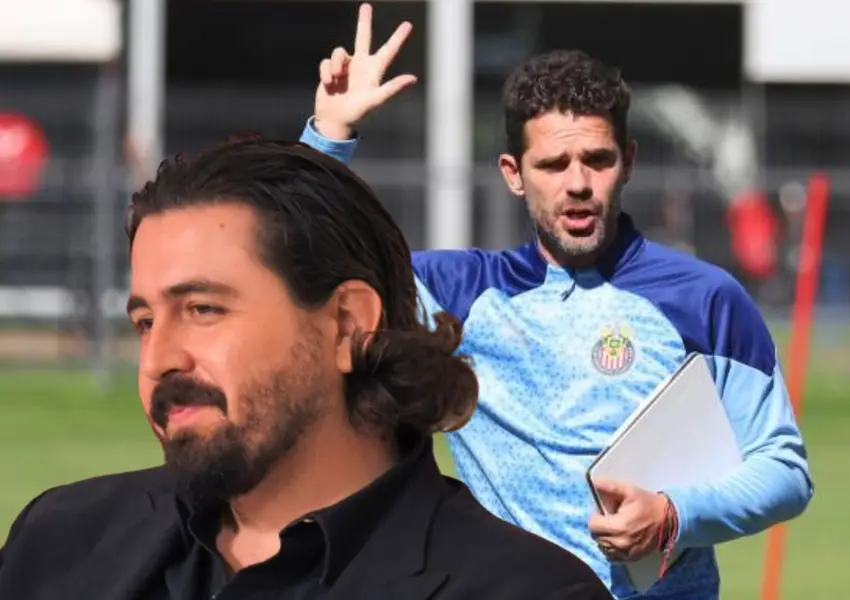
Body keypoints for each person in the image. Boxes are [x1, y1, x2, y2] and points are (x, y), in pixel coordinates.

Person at [296, 7, 815, 599]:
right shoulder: (456, 297)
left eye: (597, 160)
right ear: (514, 174)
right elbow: (305, 267)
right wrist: (329, 137)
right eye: (552, 164)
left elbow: (784, 470)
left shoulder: (706, 300)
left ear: (629, 162)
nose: (576, 183)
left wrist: (674, 515)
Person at [0, 136, 611, 600]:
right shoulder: (58, 542)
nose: (160, 360)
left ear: (347, 323)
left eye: (203, 308)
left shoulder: (526, 589)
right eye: (145, 323)